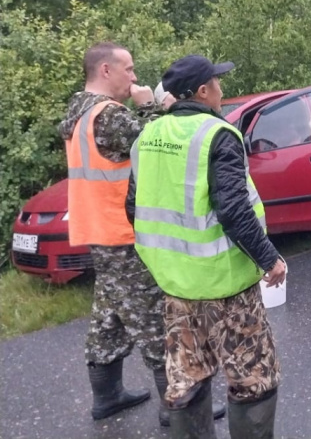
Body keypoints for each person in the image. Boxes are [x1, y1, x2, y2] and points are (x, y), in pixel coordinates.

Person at [58, 42, 226, 426]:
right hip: (122, 231)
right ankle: (177, 405)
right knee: (155, 318)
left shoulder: (78, 108)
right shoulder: (110, 115)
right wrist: (150, 104)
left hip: (97, 228)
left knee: (109, 315)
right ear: (105, 70)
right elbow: (156, 146)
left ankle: (108, 395)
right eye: (129, 70)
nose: (134, 77)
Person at [126, 54, 285, 438]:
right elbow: (233, 208)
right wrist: (269, 258)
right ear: (201, 91)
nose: (221, 89)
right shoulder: (217, 135)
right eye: (216, 82)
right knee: (253, 377)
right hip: (225, 283)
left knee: (186, 376)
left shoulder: (148, 136)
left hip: (176, 285)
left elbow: (133, 205)